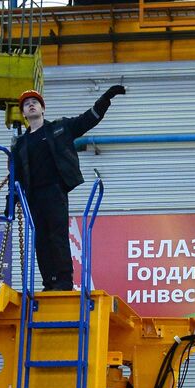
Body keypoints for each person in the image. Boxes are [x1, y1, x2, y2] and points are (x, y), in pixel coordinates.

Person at [10, 85, 126, 291]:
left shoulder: (59, 128)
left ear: (42, 109)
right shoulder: (20, 144)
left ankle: (63, 281)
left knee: (58, 236)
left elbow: (88, 119)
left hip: (55, 191)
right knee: (41, 241)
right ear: (24, 114)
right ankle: (49, 282)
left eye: (34, 102)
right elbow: (15, 174)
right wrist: (11, 200)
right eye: (26, 104)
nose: (31, 105)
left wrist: (107, 97)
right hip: (34, 197)